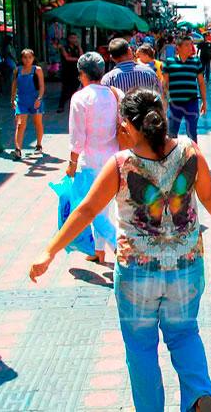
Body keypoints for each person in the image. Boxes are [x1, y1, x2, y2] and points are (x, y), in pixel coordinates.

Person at [30, 88, 211, 412]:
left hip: (137, 274)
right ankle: (200, 394)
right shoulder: (189, 151)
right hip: (185, 267)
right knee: (184, 334)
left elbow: (86, 210)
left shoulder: (121, 164)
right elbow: (209, 195)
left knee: (141, 349)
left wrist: (50, 251)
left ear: (129, 125)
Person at [66, 52, 122, 263]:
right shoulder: (115, 94)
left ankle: (119, 247)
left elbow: (77, 137)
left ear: (82, 74)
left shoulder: (80, 98)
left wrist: (72, 162)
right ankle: (99, 250)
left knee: (91, 209)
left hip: (90, 161)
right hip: (114, 160)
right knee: (102, 208)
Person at [163, 36, 207, 142]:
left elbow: (201, 83)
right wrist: (165, 101)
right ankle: (172, 153)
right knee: (171, 134)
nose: (190, 47)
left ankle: (193, 152)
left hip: (191, 102)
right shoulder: (169, 62)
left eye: (191, 44)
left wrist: (204, 102)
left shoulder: (196, 62)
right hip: (174, 103)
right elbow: (164, 84)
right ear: (178, 47)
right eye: (186, 45)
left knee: (192, 133)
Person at [10, 49, 46, 160]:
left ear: (33, 58)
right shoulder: (17, 70)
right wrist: (12, 99)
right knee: (20, 124)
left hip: (35, 100)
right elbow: (14, 85)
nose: (27, 60)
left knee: (37, 123)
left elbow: (41, 86)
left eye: (30, 57)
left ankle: (39, 144)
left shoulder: (37, 70)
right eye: (25, 57)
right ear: (22, 59)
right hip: (21, 100)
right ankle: (18, 149)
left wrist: (39, 98)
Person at [58, 33, 83, 113]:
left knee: (75, 88)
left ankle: (74, 106)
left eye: (75, 38)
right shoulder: (64, 47)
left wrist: (79, 46)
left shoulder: (77, 47)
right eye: (72, 38)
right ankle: (61, 106)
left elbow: (82, 55)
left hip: (76, 71)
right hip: (66, 71)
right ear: (68, 39)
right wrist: (78, 59)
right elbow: (67, 58)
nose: (74, 39)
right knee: (65, 89)